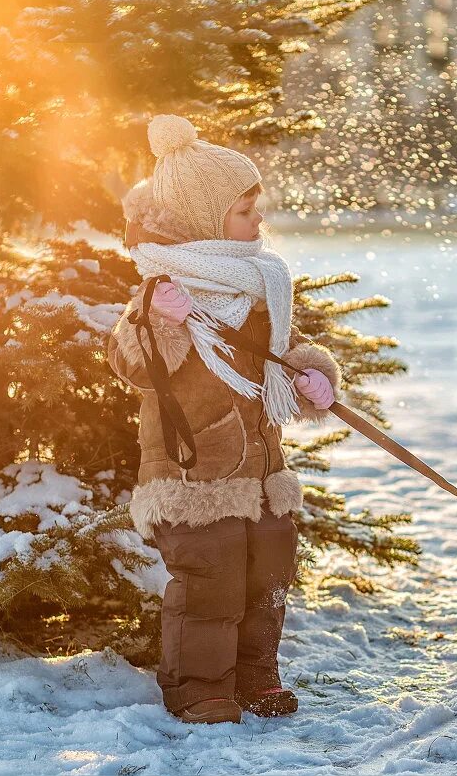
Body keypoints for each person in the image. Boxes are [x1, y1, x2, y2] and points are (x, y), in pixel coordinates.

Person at [106, 114, 341, 725]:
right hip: (193, 474)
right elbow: (130, 364)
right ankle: (200, 689)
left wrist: (309, 374)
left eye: (255, 206)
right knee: (209, 583)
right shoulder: (164, 289)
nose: (257, 219)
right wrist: (162, 320)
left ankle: (257, 677)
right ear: (207, 217)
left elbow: (274, 356)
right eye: (243, 209)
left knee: (268, 573)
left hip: (263, 467)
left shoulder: (259, 287)